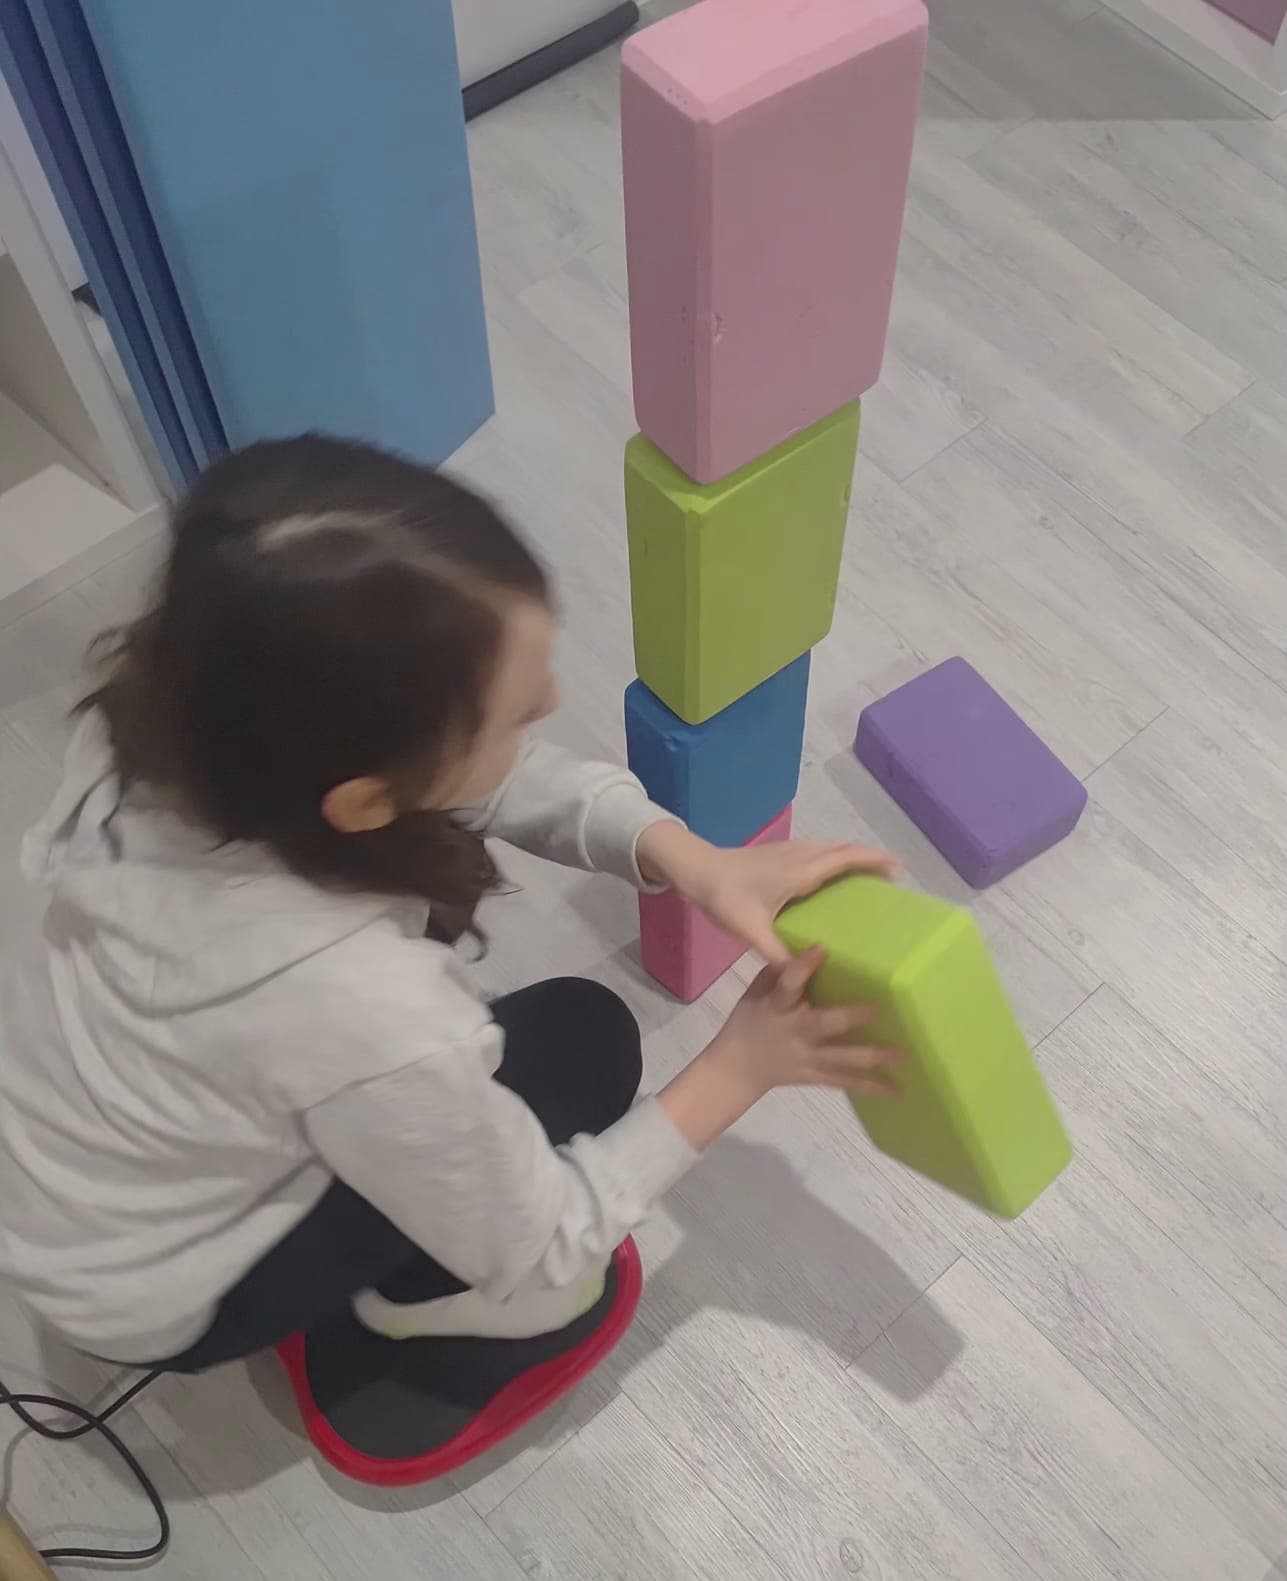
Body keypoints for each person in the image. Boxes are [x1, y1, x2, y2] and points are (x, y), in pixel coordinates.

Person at [0, 435, 901, 1375]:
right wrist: (741, 1066)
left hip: (71, 1189)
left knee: (523, 1047)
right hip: (165, 1289)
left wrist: (692, 858)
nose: (552, 701)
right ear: (363, 801)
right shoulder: (359, 1011)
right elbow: (545, 1237)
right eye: (513, 711)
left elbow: (484, 781)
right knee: (587, 1045)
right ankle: (411, 1297)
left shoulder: (186, 724)